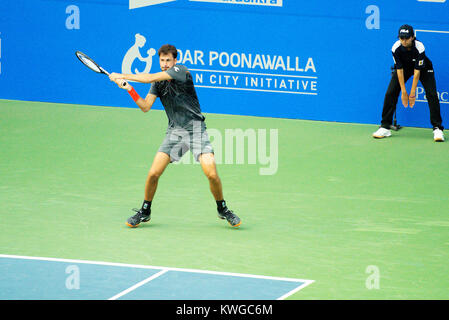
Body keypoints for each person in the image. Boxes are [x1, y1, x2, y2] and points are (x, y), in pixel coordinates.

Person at [109, 44, 241, 228]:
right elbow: (146, 106)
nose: (164, 64)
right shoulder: (158, 83)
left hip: (195, 130)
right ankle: (145, 211)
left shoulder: (181, 71)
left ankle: (223, 209)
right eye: (162, 61)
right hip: (175, 133)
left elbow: (148, 78)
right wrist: (129, 88)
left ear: (175, 61)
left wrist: (122, 75)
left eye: (167, 60)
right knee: (154, 173)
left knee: (211, 173)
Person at [372, 24, 444, 142]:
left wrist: (412, 93)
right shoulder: (395, 48)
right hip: (404, 69)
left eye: (406, 38)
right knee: (390, 93)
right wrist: (403, 91)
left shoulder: (419, 47)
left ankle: (437, 129)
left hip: (423, 69)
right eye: (401, 38)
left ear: (412, 37)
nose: (404, 41)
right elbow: (399, 70)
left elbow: (417, 73)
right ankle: (385, 127)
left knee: (432, 94)